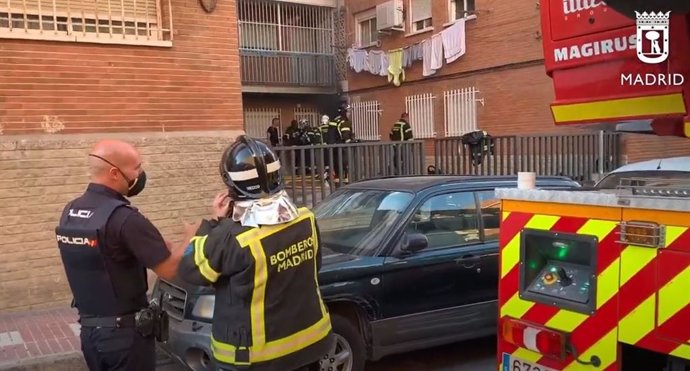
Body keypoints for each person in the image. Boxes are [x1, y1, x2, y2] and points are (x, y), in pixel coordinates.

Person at [177, 135, 334, 371]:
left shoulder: (232, 238)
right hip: (311, 345)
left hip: (257, 358)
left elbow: (190, 268)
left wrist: (213, 223)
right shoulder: (306, 220)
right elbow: (313, 267)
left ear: (232, 187)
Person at [55, 139, 193, 371]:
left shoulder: (71, 212)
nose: (140, 174)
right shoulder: (125, 218)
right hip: (125, 339)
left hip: (91, 334)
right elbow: (168, 269)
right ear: (114, 172)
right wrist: (191, 236)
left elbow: (111, 255)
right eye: (136, 167)